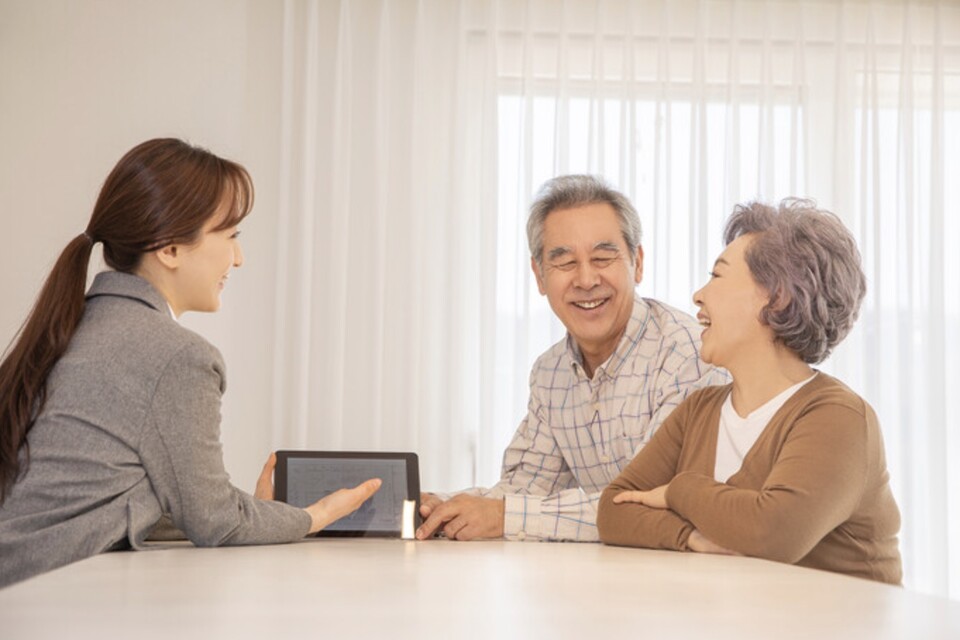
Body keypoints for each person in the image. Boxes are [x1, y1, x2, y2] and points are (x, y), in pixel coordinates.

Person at [0, 138, 380, 588]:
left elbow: (121, 505)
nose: (239, 258)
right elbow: (217, 521)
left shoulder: (76, 325)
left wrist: (261, 514)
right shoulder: (178, 355)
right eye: (231, 236)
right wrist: (314, 515)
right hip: (47, 598)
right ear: (169, 248)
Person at [596, 199, 902, 584]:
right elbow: (613, 510)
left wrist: (678, 491)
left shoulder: (839, 418)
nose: (698, 295)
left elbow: (771, 532)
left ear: (777, 296)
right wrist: (689, 536)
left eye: (717, 275)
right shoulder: (699, 410)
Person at [416, 175, 728, 542]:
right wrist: (443, 506)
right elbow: (526, 488)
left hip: (692, 568)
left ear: (638, 263)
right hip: (611, 569)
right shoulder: (550, 373)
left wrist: (502, 516)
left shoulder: (686, 354)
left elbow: (645, 502)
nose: (586, 279)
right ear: (539, 276)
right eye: (564, 262)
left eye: (602, 258)